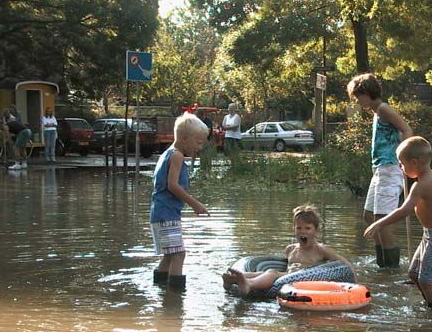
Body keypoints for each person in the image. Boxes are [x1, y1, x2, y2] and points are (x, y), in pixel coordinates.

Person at [364, 137, 432, 310]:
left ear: (414, 162)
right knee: (414, 274)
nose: (401, 168)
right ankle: (429, 302)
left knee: (425, 280)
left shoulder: (419, 185)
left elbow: (404, 210)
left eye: (401, 164)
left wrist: (379, 224)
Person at [347, 72, 412, 268]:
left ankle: (390, 268)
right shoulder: (376, 113)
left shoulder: (383, 109)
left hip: (391, 168)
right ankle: (381, 261)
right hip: (380, 170)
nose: (357, 101)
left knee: (381, 220)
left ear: (367, 92)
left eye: (358, 96)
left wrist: (404, 159)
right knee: (369, 216)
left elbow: (406, 129)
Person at [222, 205, 354, 296]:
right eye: (299, 228)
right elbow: (282, 265)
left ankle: (249, 284)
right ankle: (234, 280)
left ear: (316, 231)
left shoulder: (321, 250)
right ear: (294, 230)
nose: (303, 231)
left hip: (308, 282)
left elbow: (344, 264)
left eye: (307, 228)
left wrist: (355, 282)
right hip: (286, 279)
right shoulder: (290, 249)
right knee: (265, 272)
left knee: (272, 273)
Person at [150, 112, 210, 291]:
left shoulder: (168, 153)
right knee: (179, 254)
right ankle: (175, 300)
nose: (199, 147)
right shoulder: (176, 156)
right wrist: (195, 204)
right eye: (198, 143)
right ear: (184, 139)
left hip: (160, 212)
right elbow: (172, 186)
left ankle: (160, 289)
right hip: (166, 213)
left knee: (169, 255)